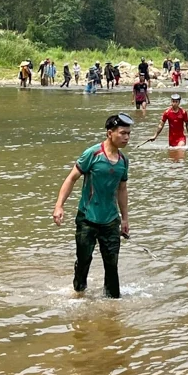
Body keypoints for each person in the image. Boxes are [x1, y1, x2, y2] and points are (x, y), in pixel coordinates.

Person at [52, 113, 132, 299]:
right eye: (122, 133)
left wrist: (125, 219)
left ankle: (113, 303)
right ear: (109, 133)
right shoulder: (92, 154)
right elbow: (71, 178)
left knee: (112, 265)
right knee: (84, 260)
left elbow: (122, 190)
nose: (126, 137)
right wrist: (59, 206)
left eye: (128, 134)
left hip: (111, 221)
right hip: (87, 219)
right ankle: (78, 294)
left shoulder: (123, 161)